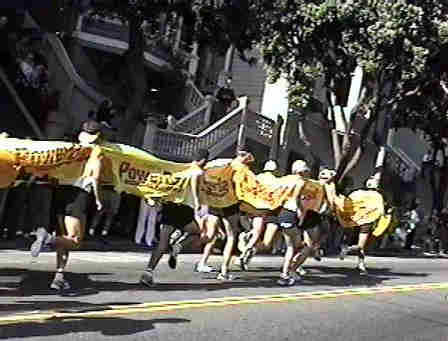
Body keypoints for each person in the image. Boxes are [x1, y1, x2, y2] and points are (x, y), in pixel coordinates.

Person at [30, 120, 105, 290]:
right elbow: (95, 177)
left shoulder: (68, 149)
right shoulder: (96, 151)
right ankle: (47, 239)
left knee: (64, 238)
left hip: (60, 193)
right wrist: (99, 199)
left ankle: (59, 276)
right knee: (75, 240)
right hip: (78, 194)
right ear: (98, 135)